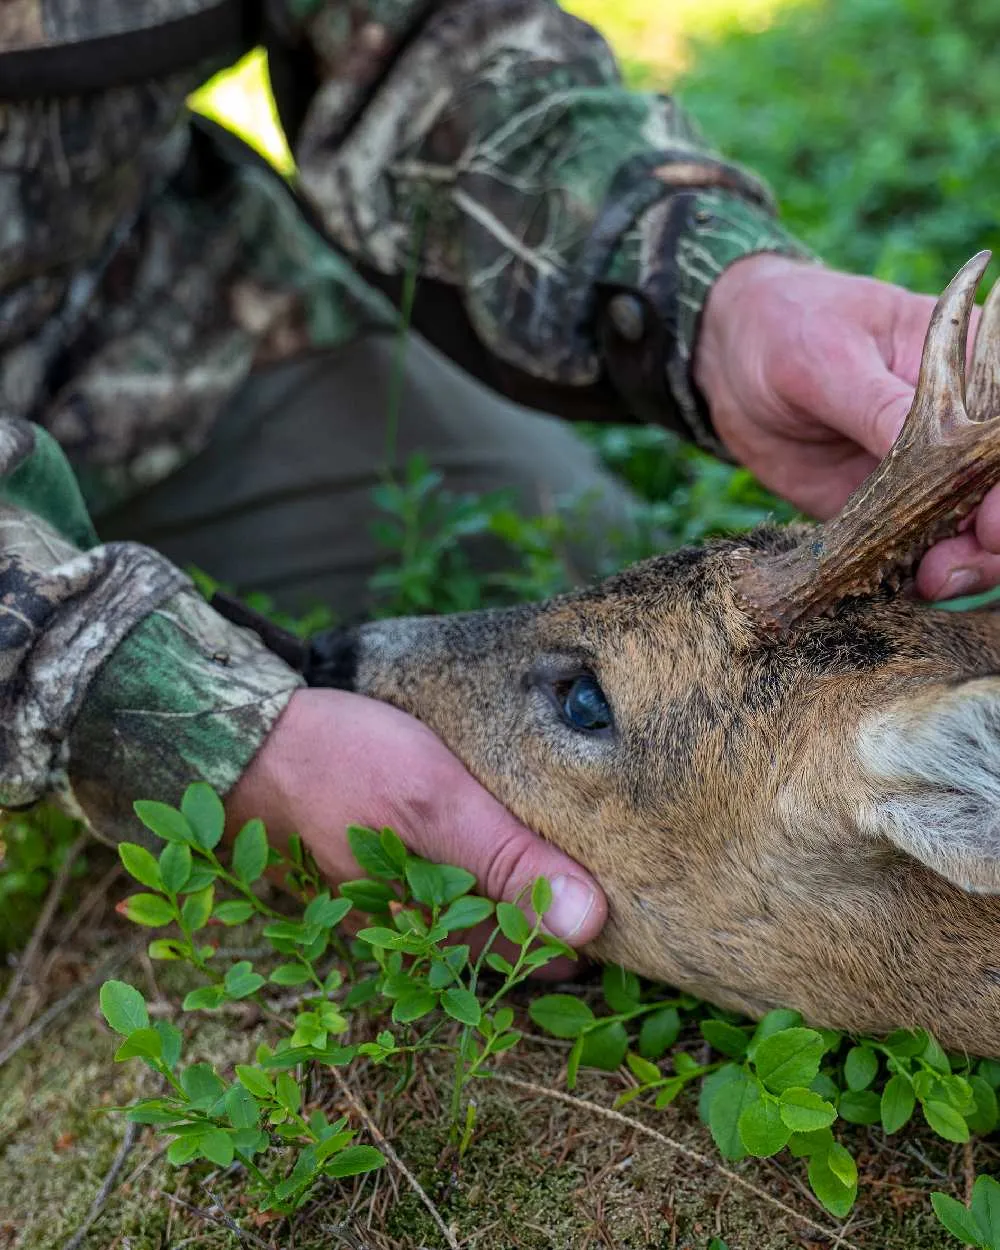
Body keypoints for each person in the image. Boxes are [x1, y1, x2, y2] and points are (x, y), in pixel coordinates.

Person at [3, 0, 999, 949]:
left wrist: (708, 286)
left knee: (575, 561)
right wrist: (187, 721)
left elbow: (419, 26)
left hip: (138, 327)